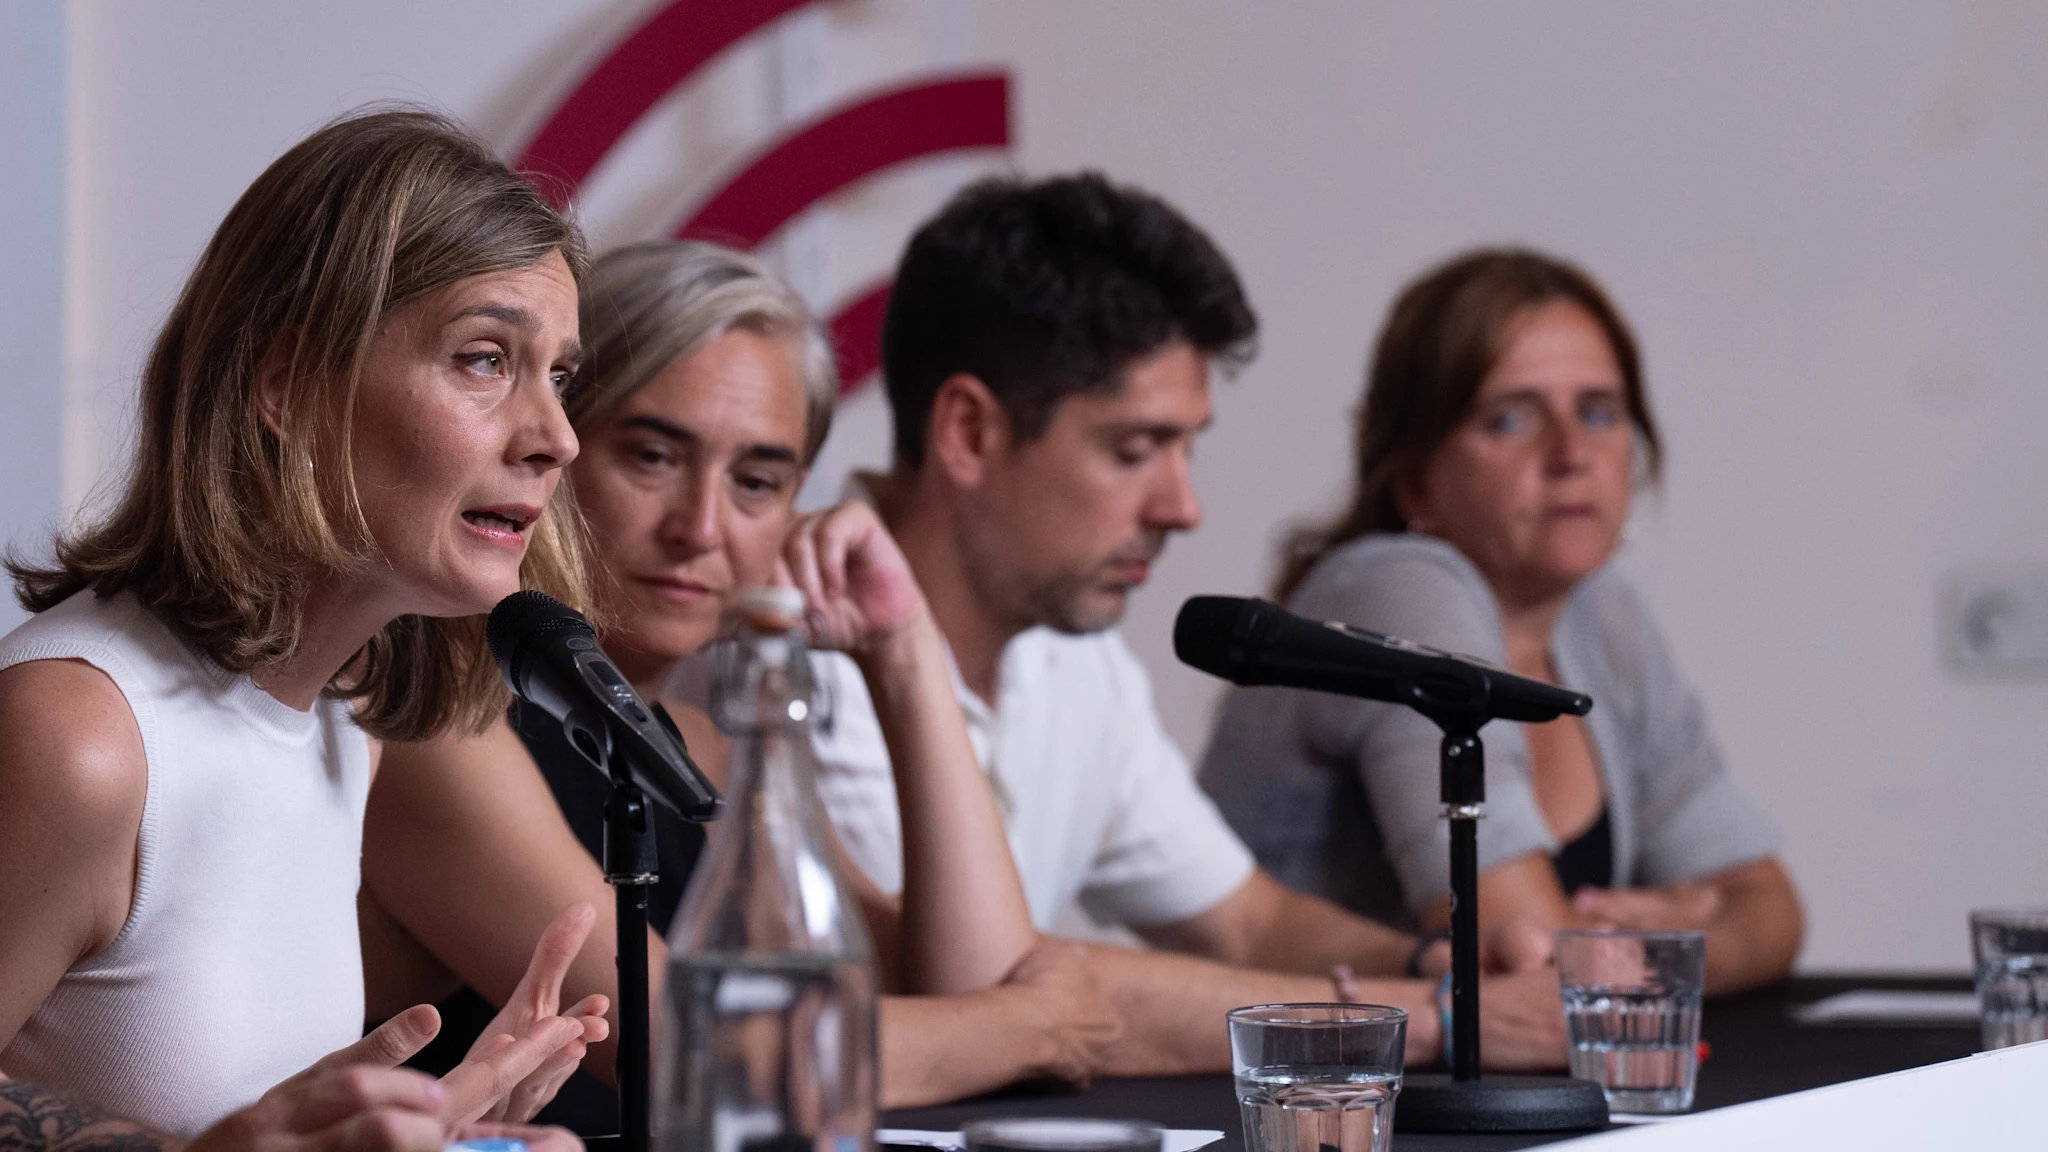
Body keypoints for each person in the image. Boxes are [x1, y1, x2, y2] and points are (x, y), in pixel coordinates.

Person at [745, 172, 1567, 1073]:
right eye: (1133, 450)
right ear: (970, 432)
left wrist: (1438, 964)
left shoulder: (1075, 657)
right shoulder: (792, 647)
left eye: (1187, 446)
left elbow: (1245, 918)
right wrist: (1436, 1015)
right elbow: (992, 991)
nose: (1184, 507)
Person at [357, 240, 1117, 1125]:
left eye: (757, 481)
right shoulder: (428, 721)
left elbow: (967, 979)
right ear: (557, 446)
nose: (701, 526)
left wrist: (904, 651)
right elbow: (698, 1052)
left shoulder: (707, 742)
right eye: (651, 457)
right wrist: (1034, 1026)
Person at [0, 109, 611, 1152]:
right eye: (482, 359)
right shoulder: (79, 737)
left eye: (556, 374)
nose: (555, 437)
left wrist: (442, 1132)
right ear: (284, 386)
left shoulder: (345, 724)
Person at [1199, 247, 1803, 994]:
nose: (1571, 453)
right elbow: (1527, 957)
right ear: (1416, 476)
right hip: (1304, 1090)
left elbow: (1774, 911)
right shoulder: (1396, 590)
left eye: (1599, 412)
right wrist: (1684, 934)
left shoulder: (1602, 614)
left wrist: (1652, 953)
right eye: (1511, 418)